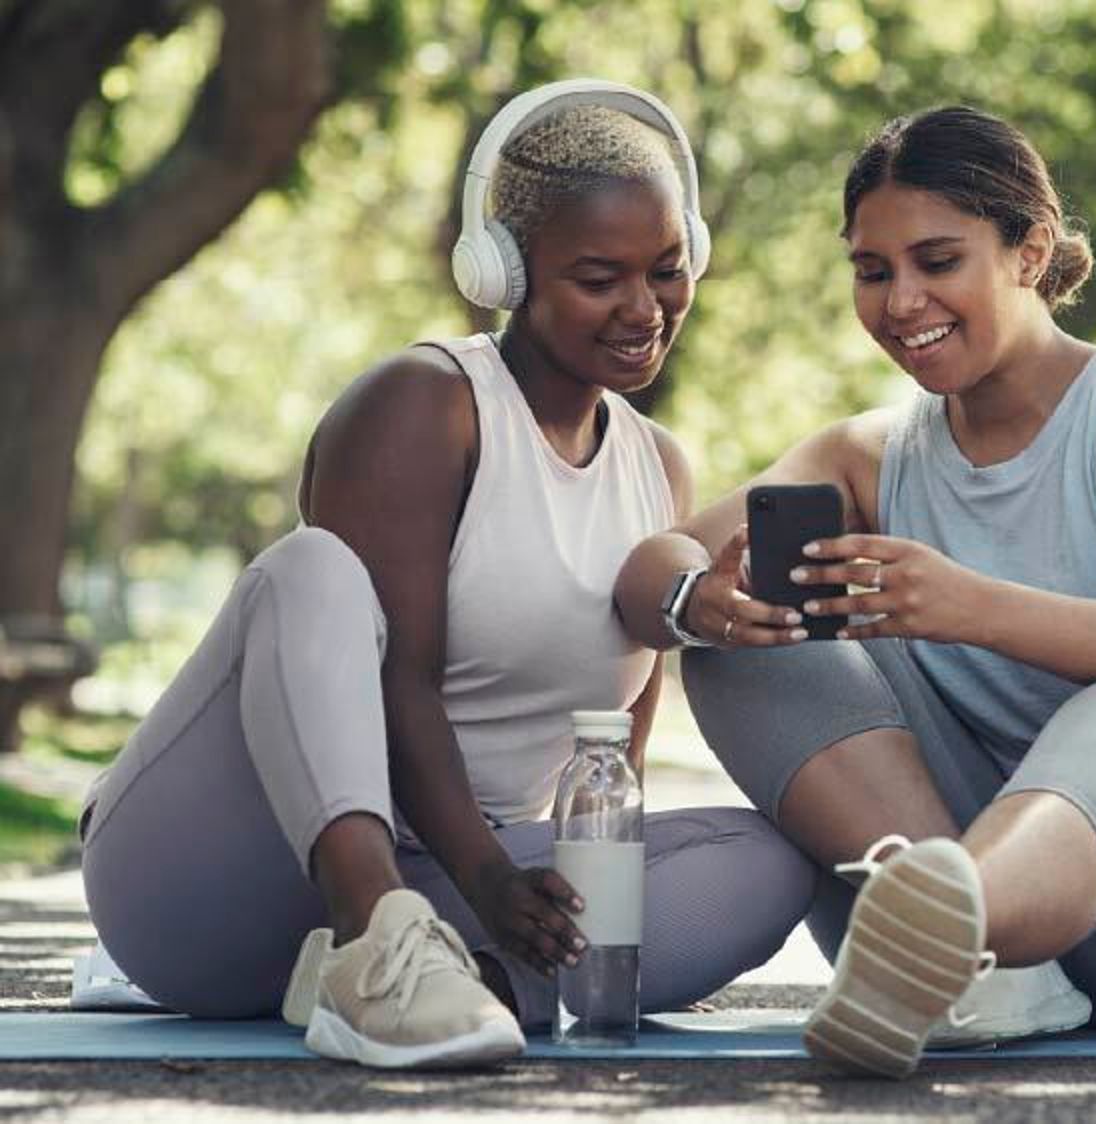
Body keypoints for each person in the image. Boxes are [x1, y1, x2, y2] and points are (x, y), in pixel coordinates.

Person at [78, 80, 816, 1070]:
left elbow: (617, 751)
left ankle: (452, 983)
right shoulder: (424, 405)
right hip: (214, 871)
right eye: (600, 276)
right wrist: (484, 875)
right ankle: (376, 933)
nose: (646, 308)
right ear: (504, 271)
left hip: (458, 885)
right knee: (311, 570)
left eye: (668, 269)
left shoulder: (658, 464)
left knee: (767, 859)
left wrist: (552, 885)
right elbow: (396, 684)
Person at [614, 105, 1096, 1078]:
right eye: (873, 270)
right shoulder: (866, 454)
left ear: (1029, 249)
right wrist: (698, 603)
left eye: (937, 259)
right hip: (1016, 956)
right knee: (747, 634)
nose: (901, 299)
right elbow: (648, 570)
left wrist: (969, 604)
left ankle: (953, 916)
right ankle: (967, 963)